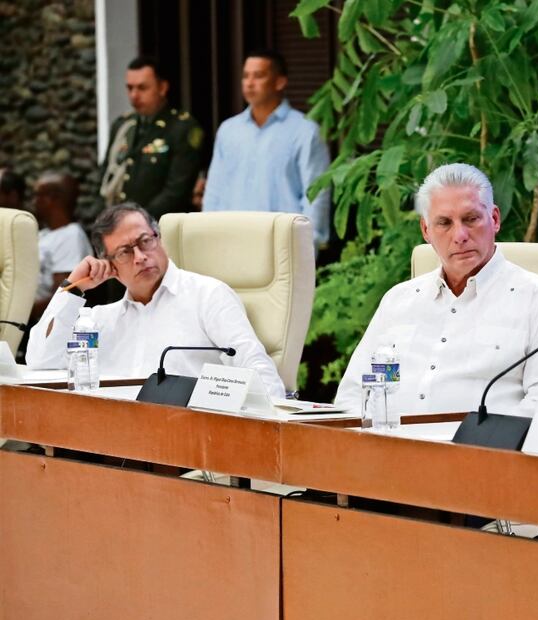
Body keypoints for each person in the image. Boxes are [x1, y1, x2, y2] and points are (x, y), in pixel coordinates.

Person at [334, 163, 538, 416]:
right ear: (426, 230)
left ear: (494, 219)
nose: (460, 235)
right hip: (388, 448)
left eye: (471, 219)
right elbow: (355, 393)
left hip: (482, 451)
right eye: (444, 223)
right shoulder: (399, 301)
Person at [26, 203, 284, 398]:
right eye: (125, 252)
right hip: (111, 445)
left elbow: (256, 369)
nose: (140, 257)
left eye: (145, 241)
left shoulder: (208, 296)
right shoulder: (99, 320)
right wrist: (72, 290)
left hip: (188, 449)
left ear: (158, 237)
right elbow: (41, 361)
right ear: (109, 265)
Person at [202, 50, 331, 250]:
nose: (249, 83)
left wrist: (307, 245)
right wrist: (207, 237)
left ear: (279, 82)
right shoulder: (228, 130)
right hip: (230, 244)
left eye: (259, 75)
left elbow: (316, 193)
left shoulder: (305, 131)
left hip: (283, 246)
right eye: (245, 76)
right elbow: (215, 190)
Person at [98, 56, 203, 219]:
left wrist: (139, 221)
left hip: (161, 227)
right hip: (122, 226)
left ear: (162, 87)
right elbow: (105, 175)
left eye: (142, 88)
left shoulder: (182, 128)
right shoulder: (123, 125)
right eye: (130, 88)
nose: (134, 95)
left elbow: (177, 190)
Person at [31, 172, 92, 319]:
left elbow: (61, 297)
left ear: (53, 199)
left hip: (38, 323)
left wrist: (16, 314)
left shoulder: (70, 236)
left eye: (38, 195)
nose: (34, 201)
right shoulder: (43, 233)